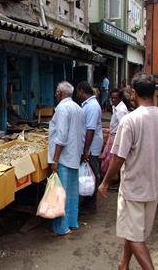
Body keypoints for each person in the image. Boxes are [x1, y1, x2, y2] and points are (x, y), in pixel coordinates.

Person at [98, 73, 158, 270]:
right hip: (152, 187)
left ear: (134, 93)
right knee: (135, 233)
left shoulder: (130, 120)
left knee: (134, 236)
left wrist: (106, 181)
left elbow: (119, 157)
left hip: (133, 189)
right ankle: (123, 264)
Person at [48, 81, 85, 235]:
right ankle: (72, 222)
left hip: (63, 157)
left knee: (61, 193)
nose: (56, 96)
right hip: (74, 155)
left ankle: (61, 227)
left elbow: (61, 136)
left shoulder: (62, 108)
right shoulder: (78, 108)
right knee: (71, 193)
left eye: (57, 93)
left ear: (60, 94)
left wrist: (55, 159)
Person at [76, 81, 103, 211]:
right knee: (88, 172)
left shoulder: (92, 106)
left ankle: (91, 203)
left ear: (82, 91)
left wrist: (86, 150)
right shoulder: (88, 105)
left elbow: (90, 129)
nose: (77, 95)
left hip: (91, 148)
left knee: (92, 172)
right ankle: (87, 200)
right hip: (89, 146)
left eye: (78, 92)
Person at [101, 89, 128, 177]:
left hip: (116, 137)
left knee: (114, 159)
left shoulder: (121, 110)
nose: (112, 100)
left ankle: (116, 179)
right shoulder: (116, 107)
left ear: (120, 98)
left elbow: (123, 127)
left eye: (115, 98)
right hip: (113, 135)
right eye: (111, 98)